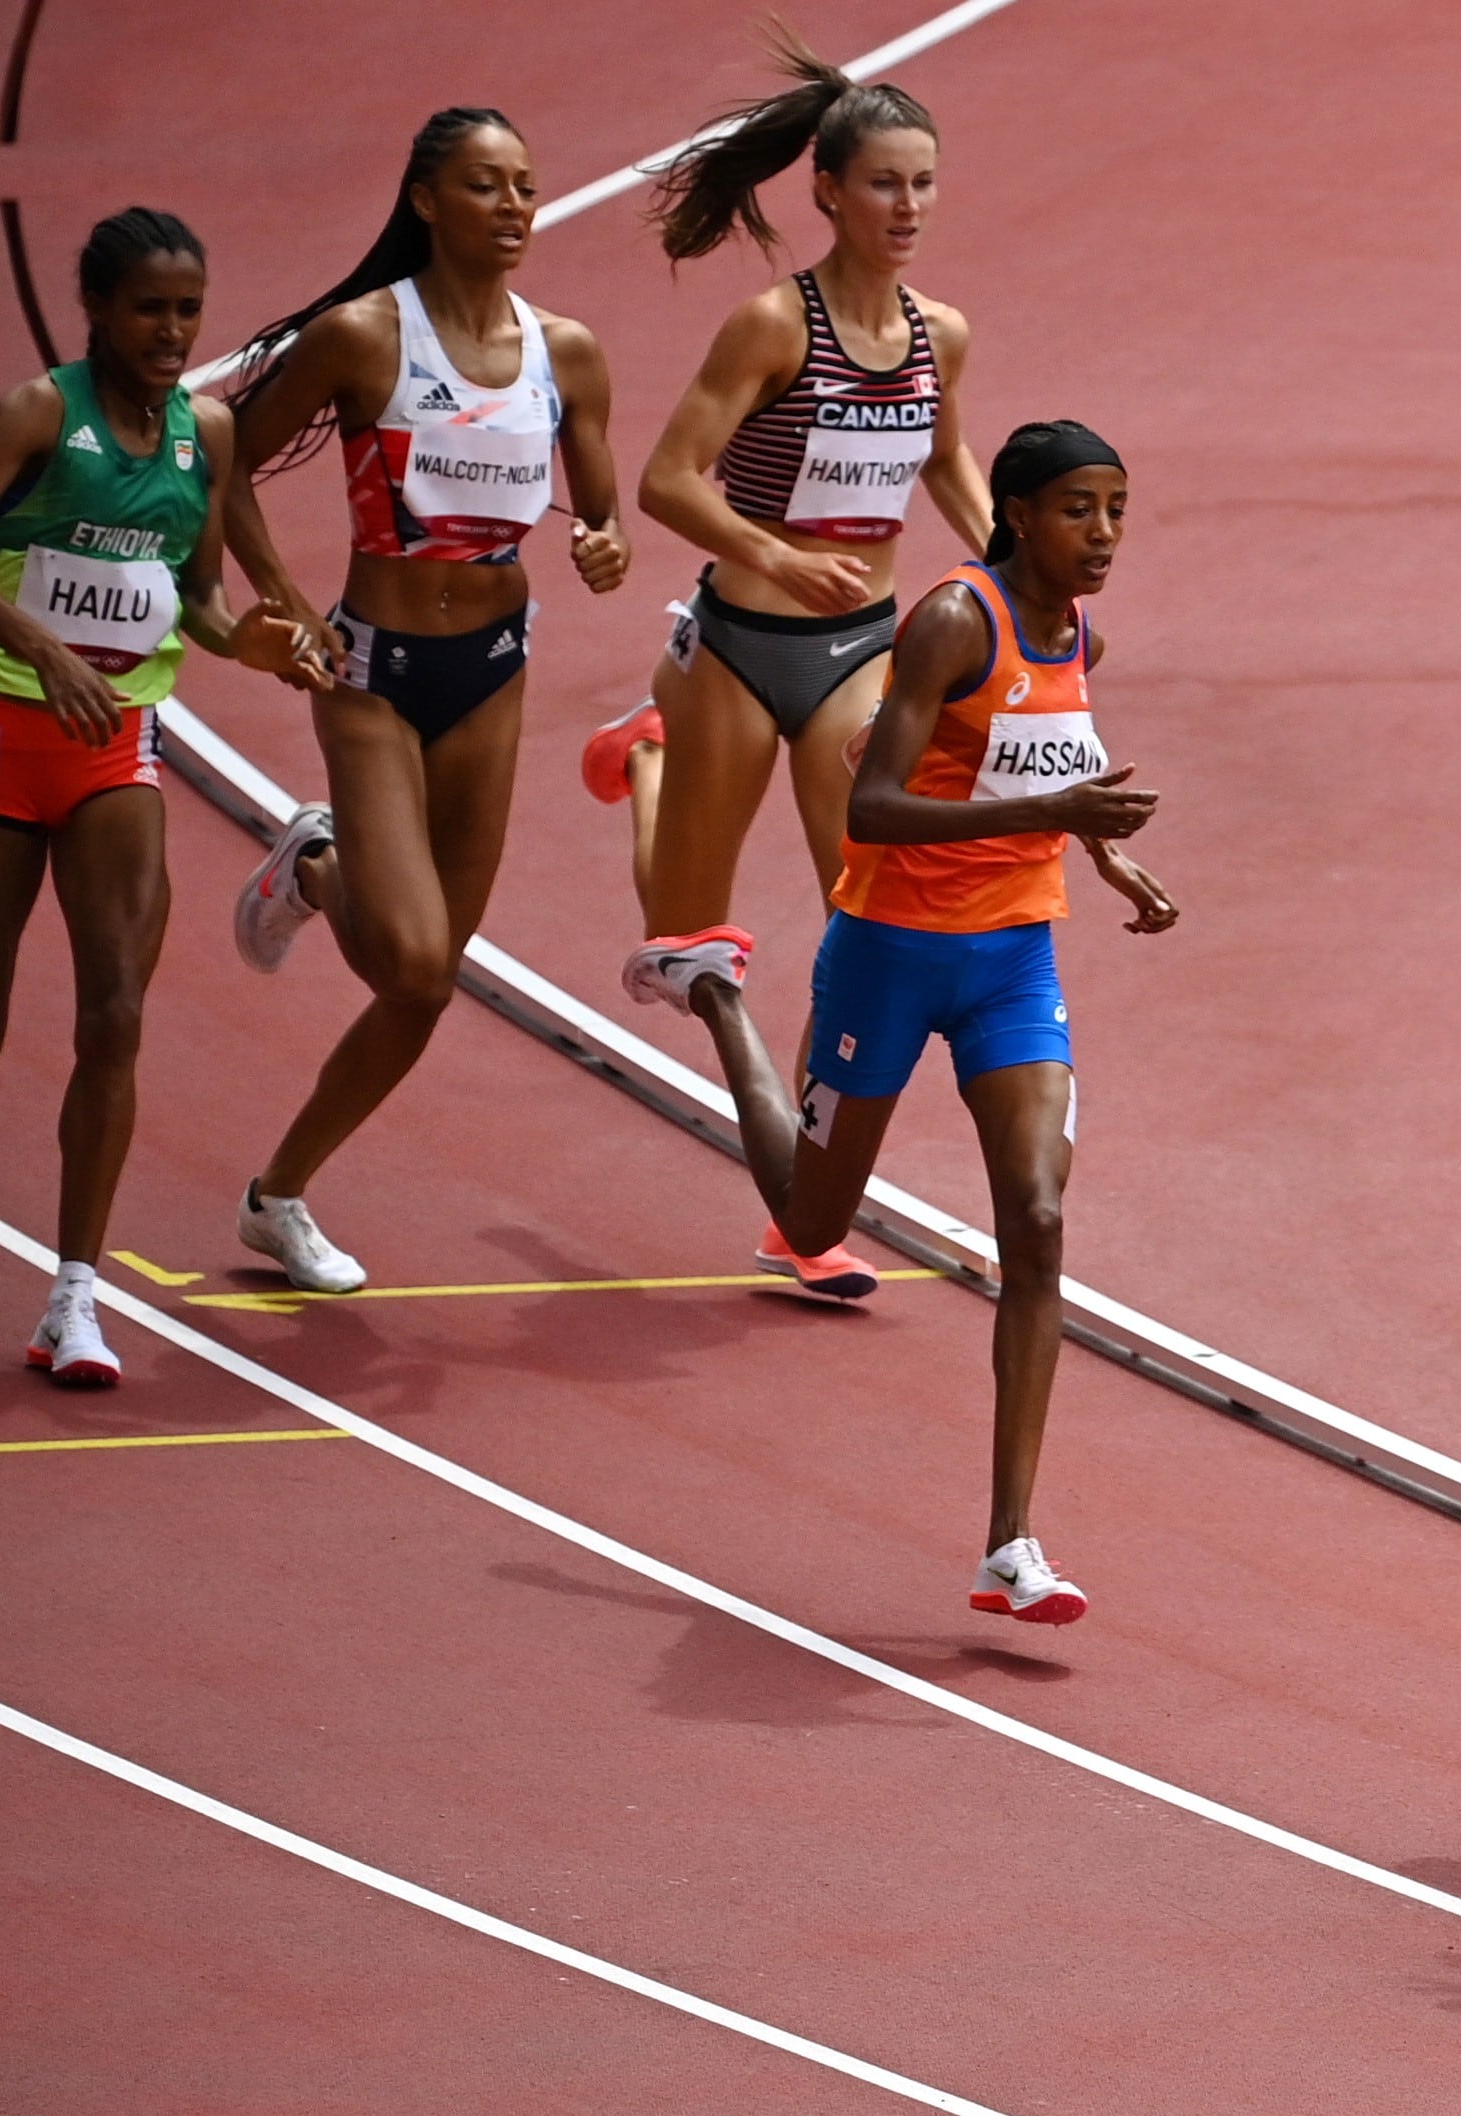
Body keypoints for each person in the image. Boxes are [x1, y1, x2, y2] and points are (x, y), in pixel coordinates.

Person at [631, 422, 1173, 1622]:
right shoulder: (949, 621)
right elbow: (870, 807)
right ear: (1018, 512)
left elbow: (1049, 750)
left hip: (1012, 966)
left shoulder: (1076, 632)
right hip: (886, 953)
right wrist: (1057, 802)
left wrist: (1102, 852)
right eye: (1080, 510)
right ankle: (713, 988)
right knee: (809, 1212)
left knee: (1035, 1218)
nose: (1104, 536)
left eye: (1119, 512)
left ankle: (1009, 1543)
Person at [0, 208, 328, 1383]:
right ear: (97, 307)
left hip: (117, 748)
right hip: (3, 733)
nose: (173, 330)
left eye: (189, 309)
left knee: (116, 1013)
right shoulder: (38, 411)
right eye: (150, 308)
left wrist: (249, 643)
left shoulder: (212, 433)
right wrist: (42, 651)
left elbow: (189, 596)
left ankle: (74, 1296)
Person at [216, 106, 629, 1293]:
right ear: (427, 200)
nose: (513, 207)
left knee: (431, 978)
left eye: (526, 187)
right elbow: (225, 450)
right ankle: (319, 864)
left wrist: (602, 544)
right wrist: (283, 594)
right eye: (486, 185)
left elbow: (599, 508)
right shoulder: (362, 338)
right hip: (370, 671)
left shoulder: (568, 350)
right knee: (409, 963)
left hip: (494, 670)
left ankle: (275, 1196)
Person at [619, 36, 987, 1296]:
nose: (908, 209)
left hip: (858, 657)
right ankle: (650, 758)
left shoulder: (940, 333)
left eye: (924, 184)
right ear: (825, 188)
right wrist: (770, 555)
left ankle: (805, 1212)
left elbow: (945, 466)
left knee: (870, 924)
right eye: (885, 183)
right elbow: (667, 479)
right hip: (735, 645)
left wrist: (1016, 582)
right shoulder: (775, 325)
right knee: (681, 932)